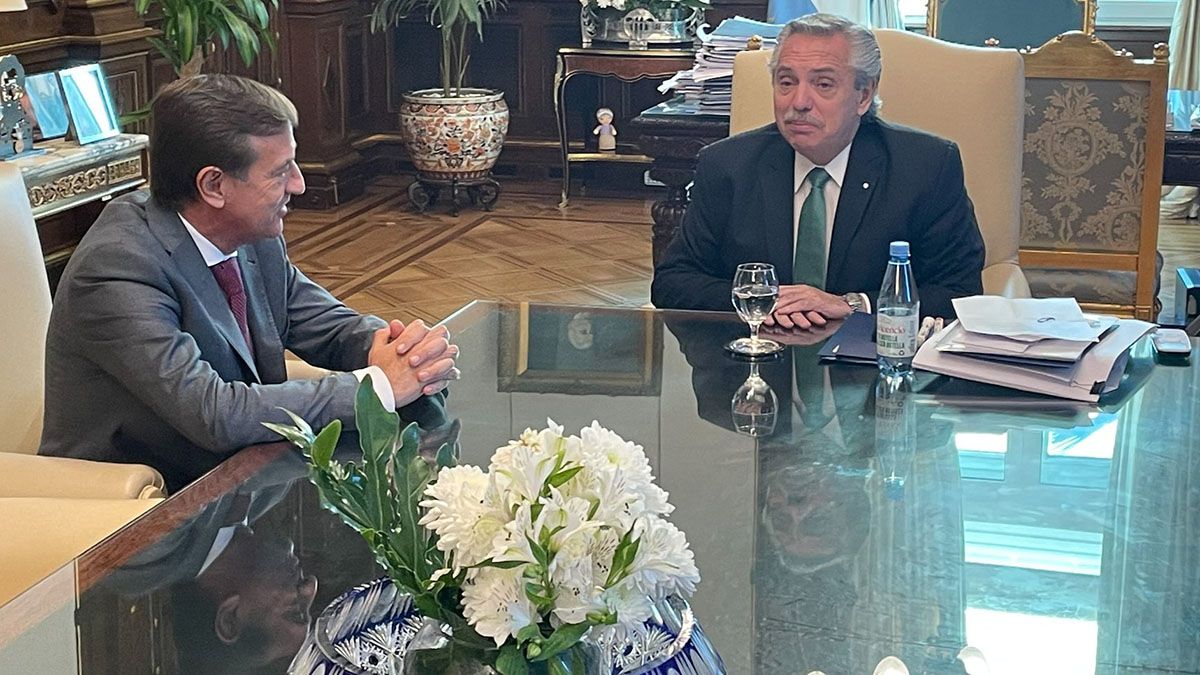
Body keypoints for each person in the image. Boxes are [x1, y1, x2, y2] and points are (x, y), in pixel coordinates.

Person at [39, 74, 459, 492]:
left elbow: (324, 323)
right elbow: (214, 413)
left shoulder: (252, 236)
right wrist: (380, 388)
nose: (299, 184)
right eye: (280, 172)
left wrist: (399, 352)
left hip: (245, 483)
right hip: (134, 513)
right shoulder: (118, 269)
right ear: (213, 185)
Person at [651, 13, 985, 326]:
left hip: (874, 368)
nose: (799, 102)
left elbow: (959, 293)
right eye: (786, 82)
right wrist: (766, 301)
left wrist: (852, 304)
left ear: (864, 94)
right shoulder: (727, 165)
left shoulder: (926, 167)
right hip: (756, 364)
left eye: (823, 84)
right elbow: (673, 281)